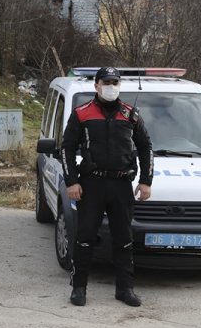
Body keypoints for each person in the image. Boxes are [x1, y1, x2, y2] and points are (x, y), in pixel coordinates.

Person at [61, 66, 153, 307]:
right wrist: (72, 181)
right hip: (91, 184)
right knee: (85, 237)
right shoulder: (81, 113)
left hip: (121, 184)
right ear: (97, 86)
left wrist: (146, 180)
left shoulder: (130, 114)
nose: (111, 87)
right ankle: (78, 288)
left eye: (115, 83)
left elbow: (146, 147)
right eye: (106, 83)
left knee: (124, 238)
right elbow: (66, 148)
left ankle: (125, 289)